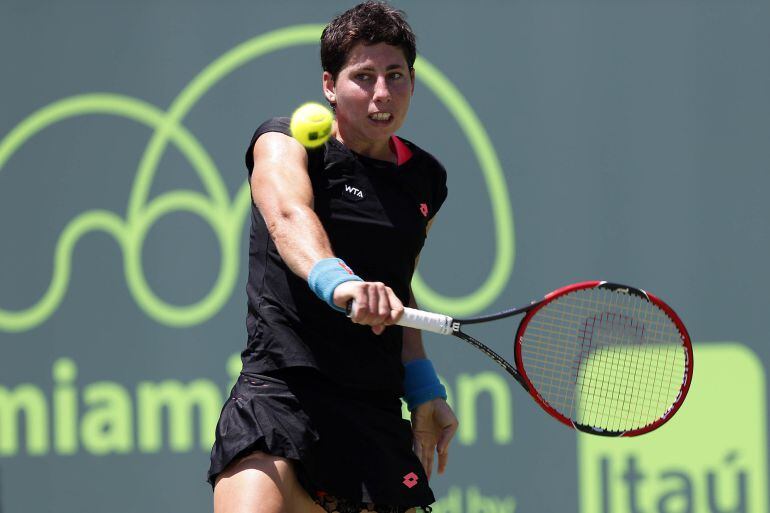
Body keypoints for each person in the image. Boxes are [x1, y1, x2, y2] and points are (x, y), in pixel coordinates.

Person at [208, 2, 458, 512]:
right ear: (329, 85)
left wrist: (424, 387)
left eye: (396, 76)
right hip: (281, 395)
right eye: (363, 77)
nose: (382, 93)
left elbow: (398, 285)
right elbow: (287, 217)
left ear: (413, 80)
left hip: (374, 413)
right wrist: (340, 283)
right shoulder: (284, 143)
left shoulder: (424, 179)